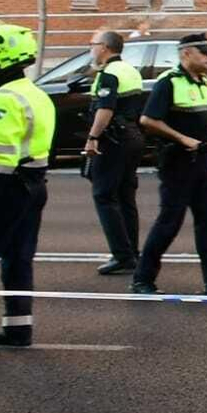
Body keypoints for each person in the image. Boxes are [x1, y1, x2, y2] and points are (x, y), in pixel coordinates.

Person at [129, 34, 207, 297]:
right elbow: (148, 119)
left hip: (201, 163)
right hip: (177, 162)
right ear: (186, 54)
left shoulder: (205, 82)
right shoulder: (168, 82)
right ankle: (142, 279)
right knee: (169, 222)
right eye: (203, 52)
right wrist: (184, 139)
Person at [0, 21, 54, 347]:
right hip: (35, 183)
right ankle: (18, 327)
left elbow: (2, 158)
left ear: (2, 57)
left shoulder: (3, 100)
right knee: (19, 257)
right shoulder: (37, 94)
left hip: (4, 184)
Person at [82, 30, 146, 276]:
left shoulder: (109, 74)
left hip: (113, 140)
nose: (91, 48)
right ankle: (132, 251)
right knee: (125, 196)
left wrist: (93, 137)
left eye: (93, 44)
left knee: (104, 196)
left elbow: (105, 110)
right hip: (132, 137)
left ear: (105, 47)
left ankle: (122, 255)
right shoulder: (130, 70)